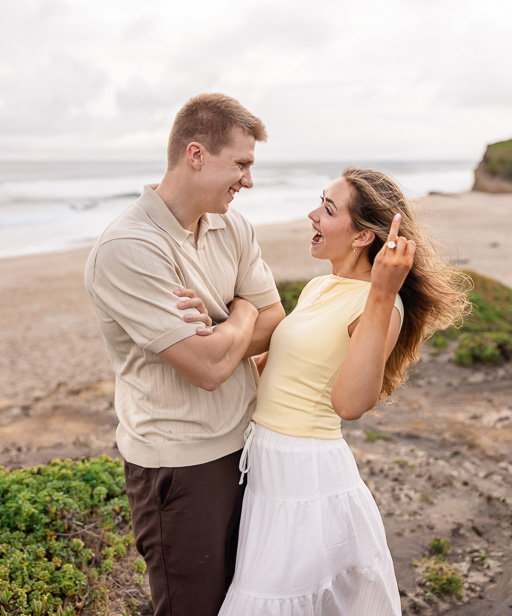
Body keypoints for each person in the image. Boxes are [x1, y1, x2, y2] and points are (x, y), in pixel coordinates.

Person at [217, 166, 470, 616]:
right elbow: (276, 370)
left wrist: (381, 291)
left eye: (328, 209)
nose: (312, 215)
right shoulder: (319, 287)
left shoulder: (382, 306)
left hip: (306, 475)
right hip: (268, 468)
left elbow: (350, 403)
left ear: (361, 238)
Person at [84, 92, 285, 616]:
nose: (248, 180)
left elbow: (276, 324)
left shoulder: (233, 225)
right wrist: (241, 312)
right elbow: (209, 368)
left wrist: (220, 325)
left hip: (246, 447)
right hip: (179, 467)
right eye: (240, 164)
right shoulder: (128, 247)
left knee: (246, 602)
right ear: (196, 155)